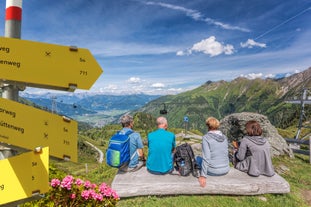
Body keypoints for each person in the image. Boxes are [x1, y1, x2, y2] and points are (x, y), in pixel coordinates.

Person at [198, 117, 230, 187]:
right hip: (226, 169)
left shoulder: (206, 138)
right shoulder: (224, 137)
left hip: (213, 170)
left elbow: (206, 158)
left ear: (208, 126)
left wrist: (203, 176)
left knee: (197, 158)